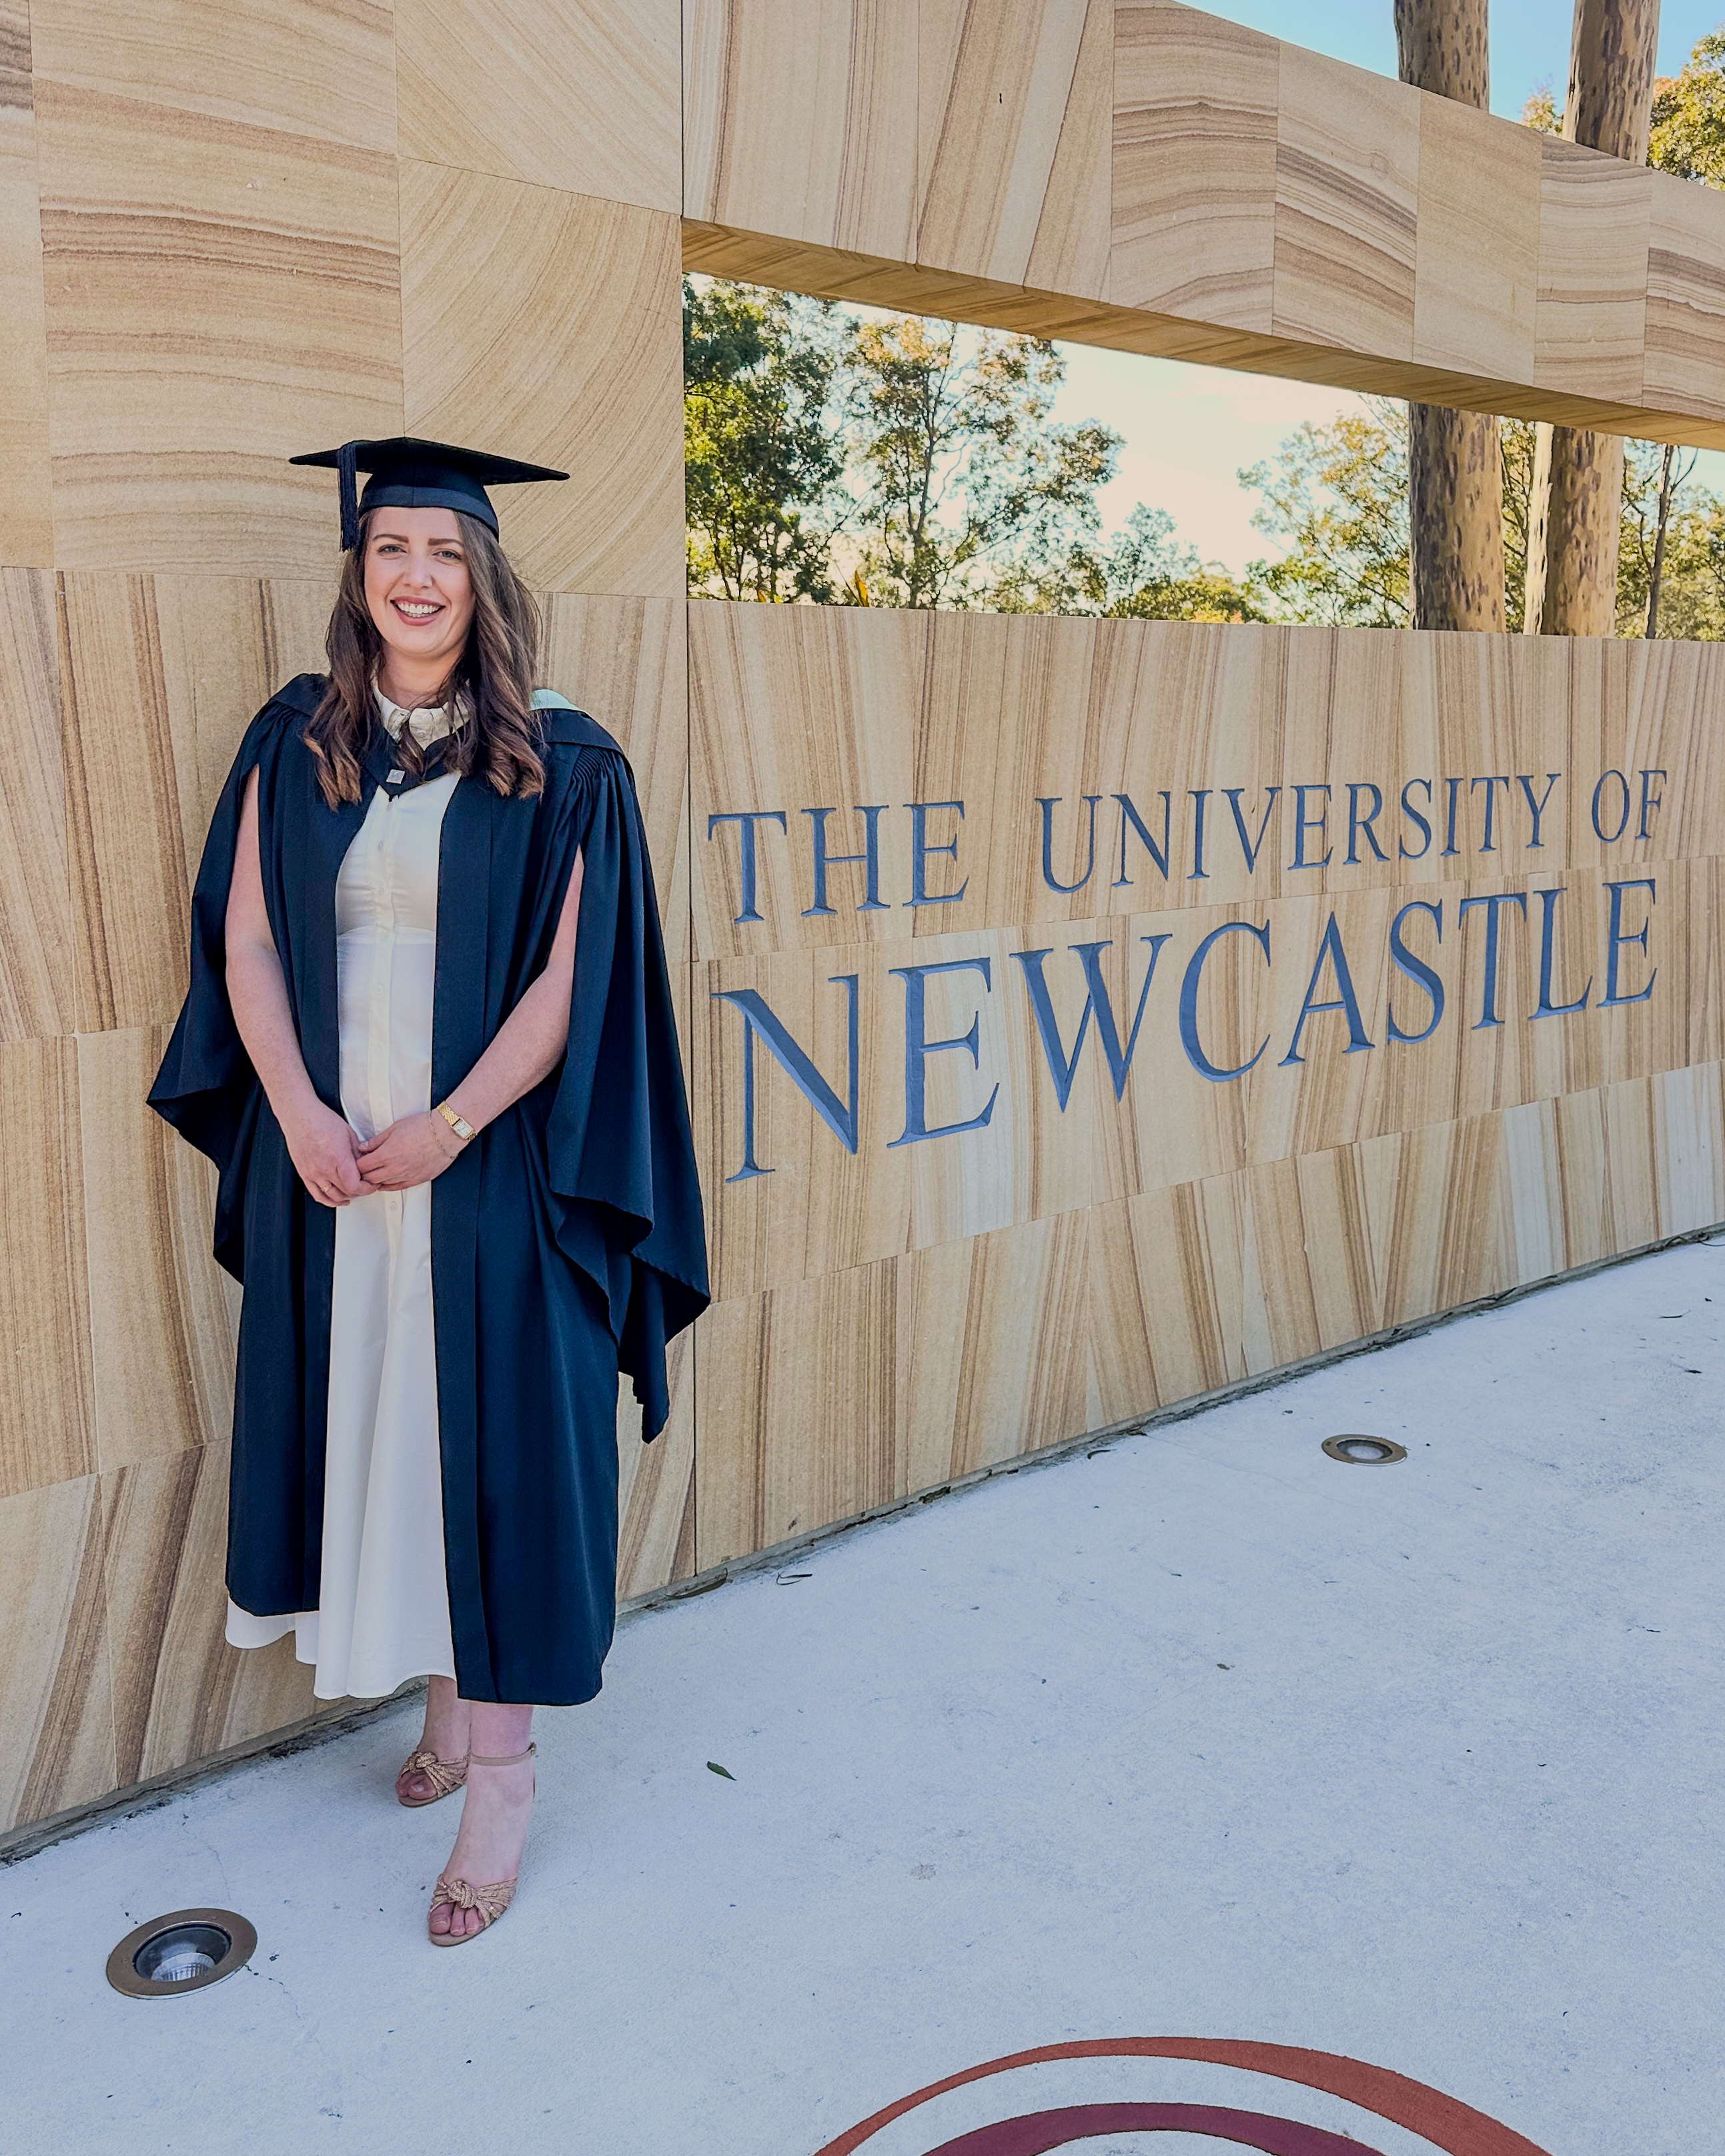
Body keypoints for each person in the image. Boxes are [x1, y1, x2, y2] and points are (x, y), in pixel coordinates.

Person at [149, 438, 708, 1945]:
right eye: (392, 547)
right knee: (400, 1445)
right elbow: (250, 940)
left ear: (484, 576)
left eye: (444, 553)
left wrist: (451, 1126)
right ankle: (452, 1708)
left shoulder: (565, 758)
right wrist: (296, 1110)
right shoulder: (297, 739)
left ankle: (503, 1779)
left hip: (490, 1173)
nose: (416, 576)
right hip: (338, 1175)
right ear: (360, 571)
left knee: (506, 1461)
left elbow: (572, 986)